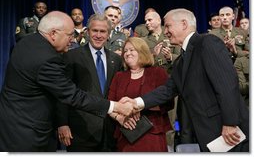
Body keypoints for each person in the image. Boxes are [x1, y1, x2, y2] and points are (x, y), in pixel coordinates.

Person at [0, 11, 134, 152]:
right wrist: (116, 107)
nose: (72, 39)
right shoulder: (48, 59)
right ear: (53, 34)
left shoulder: (28, 42)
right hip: (26, 133)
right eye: (70, 35)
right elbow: (71, 95)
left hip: (15, 124)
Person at [122, 8, 249, 152]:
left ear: (183, 24)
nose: (165, 31)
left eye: (168, 26)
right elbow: (167, 90)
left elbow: (227, 85)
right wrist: (136, 102)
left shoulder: (207, 42)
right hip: (209, 135)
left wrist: (230, 123)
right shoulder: (180, 61)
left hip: (229, 132)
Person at [57, 13, 123, 151]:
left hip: (110, 131)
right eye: (95, 30)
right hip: (81, 130)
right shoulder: (72, 56)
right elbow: (62, 93)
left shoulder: (116, 60)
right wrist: (62, 123)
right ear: (87, 31)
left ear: (108, 34)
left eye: (103, 31)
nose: (98, 35)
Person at [108, 37, 173, 152]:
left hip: (152, 135)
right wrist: (120, 117)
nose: (127, 53)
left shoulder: (158, 73)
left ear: (142, 51)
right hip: (126, 135)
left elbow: (168, 103)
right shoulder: (119, 76)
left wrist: (137, 107)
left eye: (132, 50)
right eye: (125, 51)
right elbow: (110, 104)